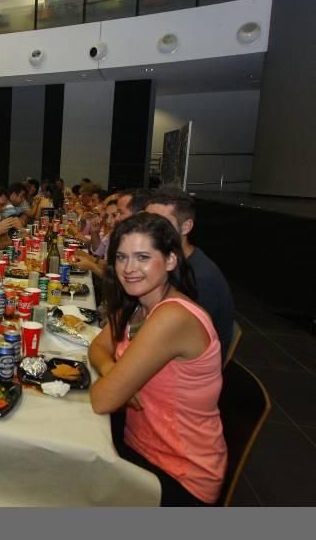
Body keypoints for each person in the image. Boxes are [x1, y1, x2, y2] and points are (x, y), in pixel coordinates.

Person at [88, 213, 226, 506]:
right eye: (122, 257)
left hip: (179, 475)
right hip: (140, 447)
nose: (129, 268)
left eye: (143, 257)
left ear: (171, 261)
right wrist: (113, 369)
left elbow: (102, 399)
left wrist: (115, 382)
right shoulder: (139, 304)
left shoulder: (171, 317)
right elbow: (96, 348)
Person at [145, 190, 235, 360]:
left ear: (186, 226)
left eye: (161, 224)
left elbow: (170, 344)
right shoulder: (169, 260)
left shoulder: (199, 278)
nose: (148, 231)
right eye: (146, 221)